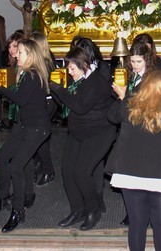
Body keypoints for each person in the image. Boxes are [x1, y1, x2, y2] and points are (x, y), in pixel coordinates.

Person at [107, 70, 161, 251]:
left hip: (130, 172)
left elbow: (111, 117)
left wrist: (122, 97)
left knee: (137, 224)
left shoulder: (129, 104)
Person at [0, 39, 52, 233]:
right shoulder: (27, 73)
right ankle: (2, 198)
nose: (16, 55)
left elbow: (21, 99)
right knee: (1, 158)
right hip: (25, 126)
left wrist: (0, 88)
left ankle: (18, 211)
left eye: (20, 52)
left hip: (37, 129)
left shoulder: (33, 75)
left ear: (30, 55)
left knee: (16, 166)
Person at [50, 47, 117, 231]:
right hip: (79, 131)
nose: (69, 72)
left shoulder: (96, 81)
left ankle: (93, 210)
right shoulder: (79, 80)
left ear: (85, 65)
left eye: (72, 68)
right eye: (68, 68)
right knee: (67, 168)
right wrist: (56, 91)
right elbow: (67, 105)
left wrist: (59, 90)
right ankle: (77, 210)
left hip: (99, 132)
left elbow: (80, 106)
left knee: (81, 172)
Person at [112, 42, 157, 226]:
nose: (135, 65)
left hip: (143, 130)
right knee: (130, 174)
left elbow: (142, 108)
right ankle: (133, 211)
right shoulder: (132, 75)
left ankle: (143, 213)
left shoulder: (151, 79)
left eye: (138, 61)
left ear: (146, 59)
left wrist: (124, 97)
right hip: (129, 129)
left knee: (143, 174)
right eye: (132, 61)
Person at [28, 30, 57, 188]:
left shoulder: (42, 62)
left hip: (45, 102)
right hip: (47, 102)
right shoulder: (48, 58)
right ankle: (40, 165)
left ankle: (48, 169)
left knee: (40, 138)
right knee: (40, 137)